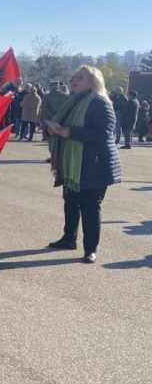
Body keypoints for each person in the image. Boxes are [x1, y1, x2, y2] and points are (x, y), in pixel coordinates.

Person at [47, 65, 121, 264]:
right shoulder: (72, 100)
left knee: (89, 207)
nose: (74, 80)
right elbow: (64, 124)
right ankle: (68, 238)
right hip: (72, 163)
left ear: (92, 82)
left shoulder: (100, 102)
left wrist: (71, 133)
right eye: (74, 77)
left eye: (80, 77)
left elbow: (103, 134)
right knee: (70, 202)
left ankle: (91, 249)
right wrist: (55, 130)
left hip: (93, 164)